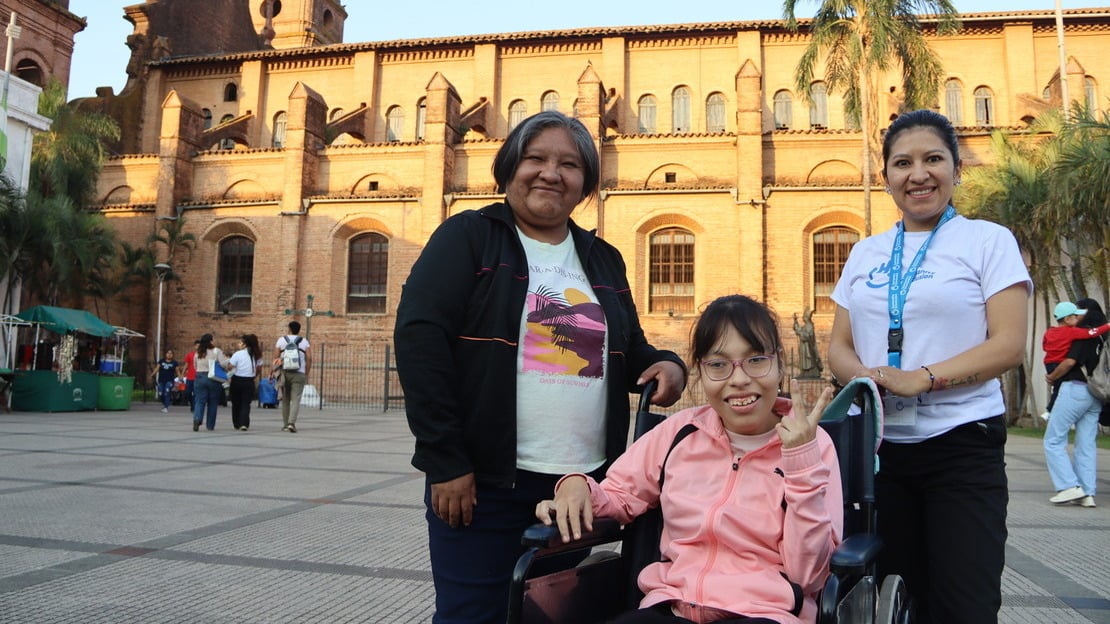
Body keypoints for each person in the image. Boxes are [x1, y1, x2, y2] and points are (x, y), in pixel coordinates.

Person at [394, 110, 688, 624]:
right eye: (536, 158)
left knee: (548, 614)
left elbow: (627, 347)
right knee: (474, 616)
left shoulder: (602, 258)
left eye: (569, 164)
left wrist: (666, 363)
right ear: (509, 168)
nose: (551, 173)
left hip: (577, 486)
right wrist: (446, 462)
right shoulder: (467, 237)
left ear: (584, 185)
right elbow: (421, 343)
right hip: (483, 486)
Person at [827, 109, 1031, 624]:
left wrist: (924, 378)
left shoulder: (988, 241)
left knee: (964, 604)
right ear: (887, 177)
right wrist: (863, 376)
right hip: (880, 453)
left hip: (962, 446)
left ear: (956, 168)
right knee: (895, 603)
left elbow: (1008, 345)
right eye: (903, 163)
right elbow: (839, 347)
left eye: (933, 159)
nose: (918, 174)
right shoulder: (866, 252)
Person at [536, 295, 840, 624]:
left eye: (756, 360)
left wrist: (801, 467)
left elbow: (809, 576)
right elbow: (620, 493)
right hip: (672, 606)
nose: (739, 380)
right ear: (700, 370)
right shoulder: (680, 432)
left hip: (765, 613)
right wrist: (577, 486)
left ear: (780, 362)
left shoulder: (812, 446)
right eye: (719, 364)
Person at [1043, 298, 1107, 508]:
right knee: (1086, 444)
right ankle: (1087, 493)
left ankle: (1069, 486)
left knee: (1053, 440)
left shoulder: (1079, 335)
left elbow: (1070, 361)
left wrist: (1052, 377)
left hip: (1075, 389)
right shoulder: (1102, 337)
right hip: (1096, 393)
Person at [1041, 301, 1110, 416]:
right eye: (1075, 316)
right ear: (1067, 319)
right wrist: (1107, 326)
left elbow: (1044, 346)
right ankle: (1050, 410)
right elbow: (1091, 333)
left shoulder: (1049, 331)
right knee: (1059, 389)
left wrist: (1051, 376)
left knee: (1056, 387)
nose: (1078, 318)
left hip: (1049, 363)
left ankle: (1049, 410)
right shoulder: (1073, 332)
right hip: (1062, 365)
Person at [275, 321, 310, 433]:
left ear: (289, 329)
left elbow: (276, 358)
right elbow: (309, 358)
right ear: (299, 330)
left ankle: (285, 424)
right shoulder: (304, 341)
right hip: (299, 373)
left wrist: (274, 372)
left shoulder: (281, 340)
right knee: (296, 399)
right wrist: (306, 372)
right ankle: (291, 423)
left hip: (284, 372)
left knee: (285, 399)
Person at [192, 334, 231, 431]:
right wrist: (228, 362)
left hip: (200, 377)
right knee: (213, 402)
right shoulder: (216, 351)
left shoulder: (198, 352)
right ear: (211, 341)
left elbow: (195, 365)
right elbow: (222, 364)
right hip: (213, 378)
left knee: (199, 401)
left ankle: (197, 419)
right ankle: (210, 425)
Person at [228, 334, 263, 431]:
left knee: (236, 403)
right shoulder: (258, 355)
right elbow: (259, 369)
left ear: (245, 343)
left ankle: (236, 423)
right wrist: (253, 375)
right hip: (249, 381)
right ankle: (244, 423)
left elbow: (230, 366)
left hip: (237, 380)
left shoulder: (238, 354)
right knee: (245, 403)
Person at [151, 348, 180, 414]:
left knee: (167, 392)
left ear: (172, 355)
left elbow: (177, 371)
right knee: (161, 393)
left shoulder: (174, 363)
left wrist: (180, 378)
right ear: (166, 354)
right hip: (161, 380)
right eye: (168, 353)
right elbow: (157, 368)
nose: (169, 355)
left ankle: (166, 407)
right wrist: (152, 374)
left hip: (169, 381)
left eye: (171, 353)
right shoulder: (161, 361)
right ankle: (165, 403)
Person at [183, 342, 198, 411]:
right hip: (190, 376)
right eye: (197, 346)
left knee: (195, 392)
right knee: (188, 392)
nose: (198, 347)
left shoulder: (203, 355)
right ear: (194, 346)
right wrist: (182, 373)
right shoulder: (190, 355)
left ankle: (194, 406)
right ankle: (192, 403)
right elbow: (186, 364)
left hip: (198, 377)